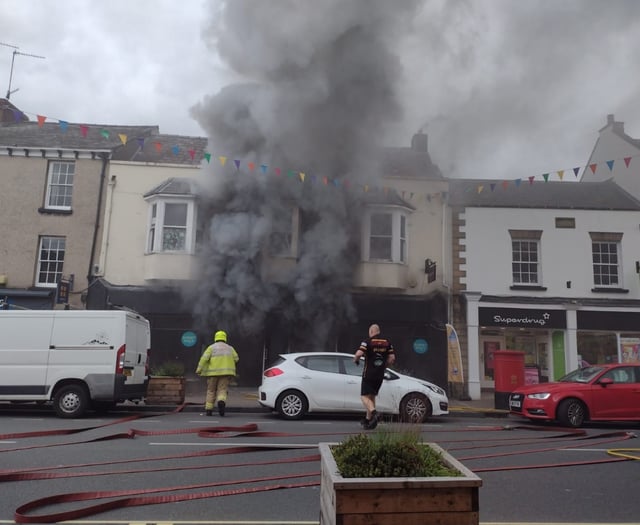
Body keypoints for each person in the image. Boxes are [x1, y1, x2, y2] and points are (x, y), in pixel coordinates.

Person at [353, 323, 395, 429]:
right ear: (378, 332)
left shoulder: (367, 342)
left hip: (368, 374)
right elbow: (392, 359)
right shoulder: (387, 343)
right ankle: (369, 421)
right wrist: (384, 367)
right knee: (371, 396)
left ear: (371, 332)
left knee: (364, 396)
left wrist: (356, 360)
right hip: (380, 375)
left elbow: (358, 354)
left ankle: (375, 413)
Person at [196, 330, 239, 416]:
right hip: (225, 374)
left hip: (212, 375)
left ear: (216, 338)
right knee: (222, 390)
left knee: (211, 391)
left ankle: (209, 409)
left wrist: (199, 370)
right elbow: (236, 359)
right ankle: (221, 401)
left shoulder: (211, 348)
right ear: (225, 338)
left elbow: (203, 359)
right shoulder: (230, 348)